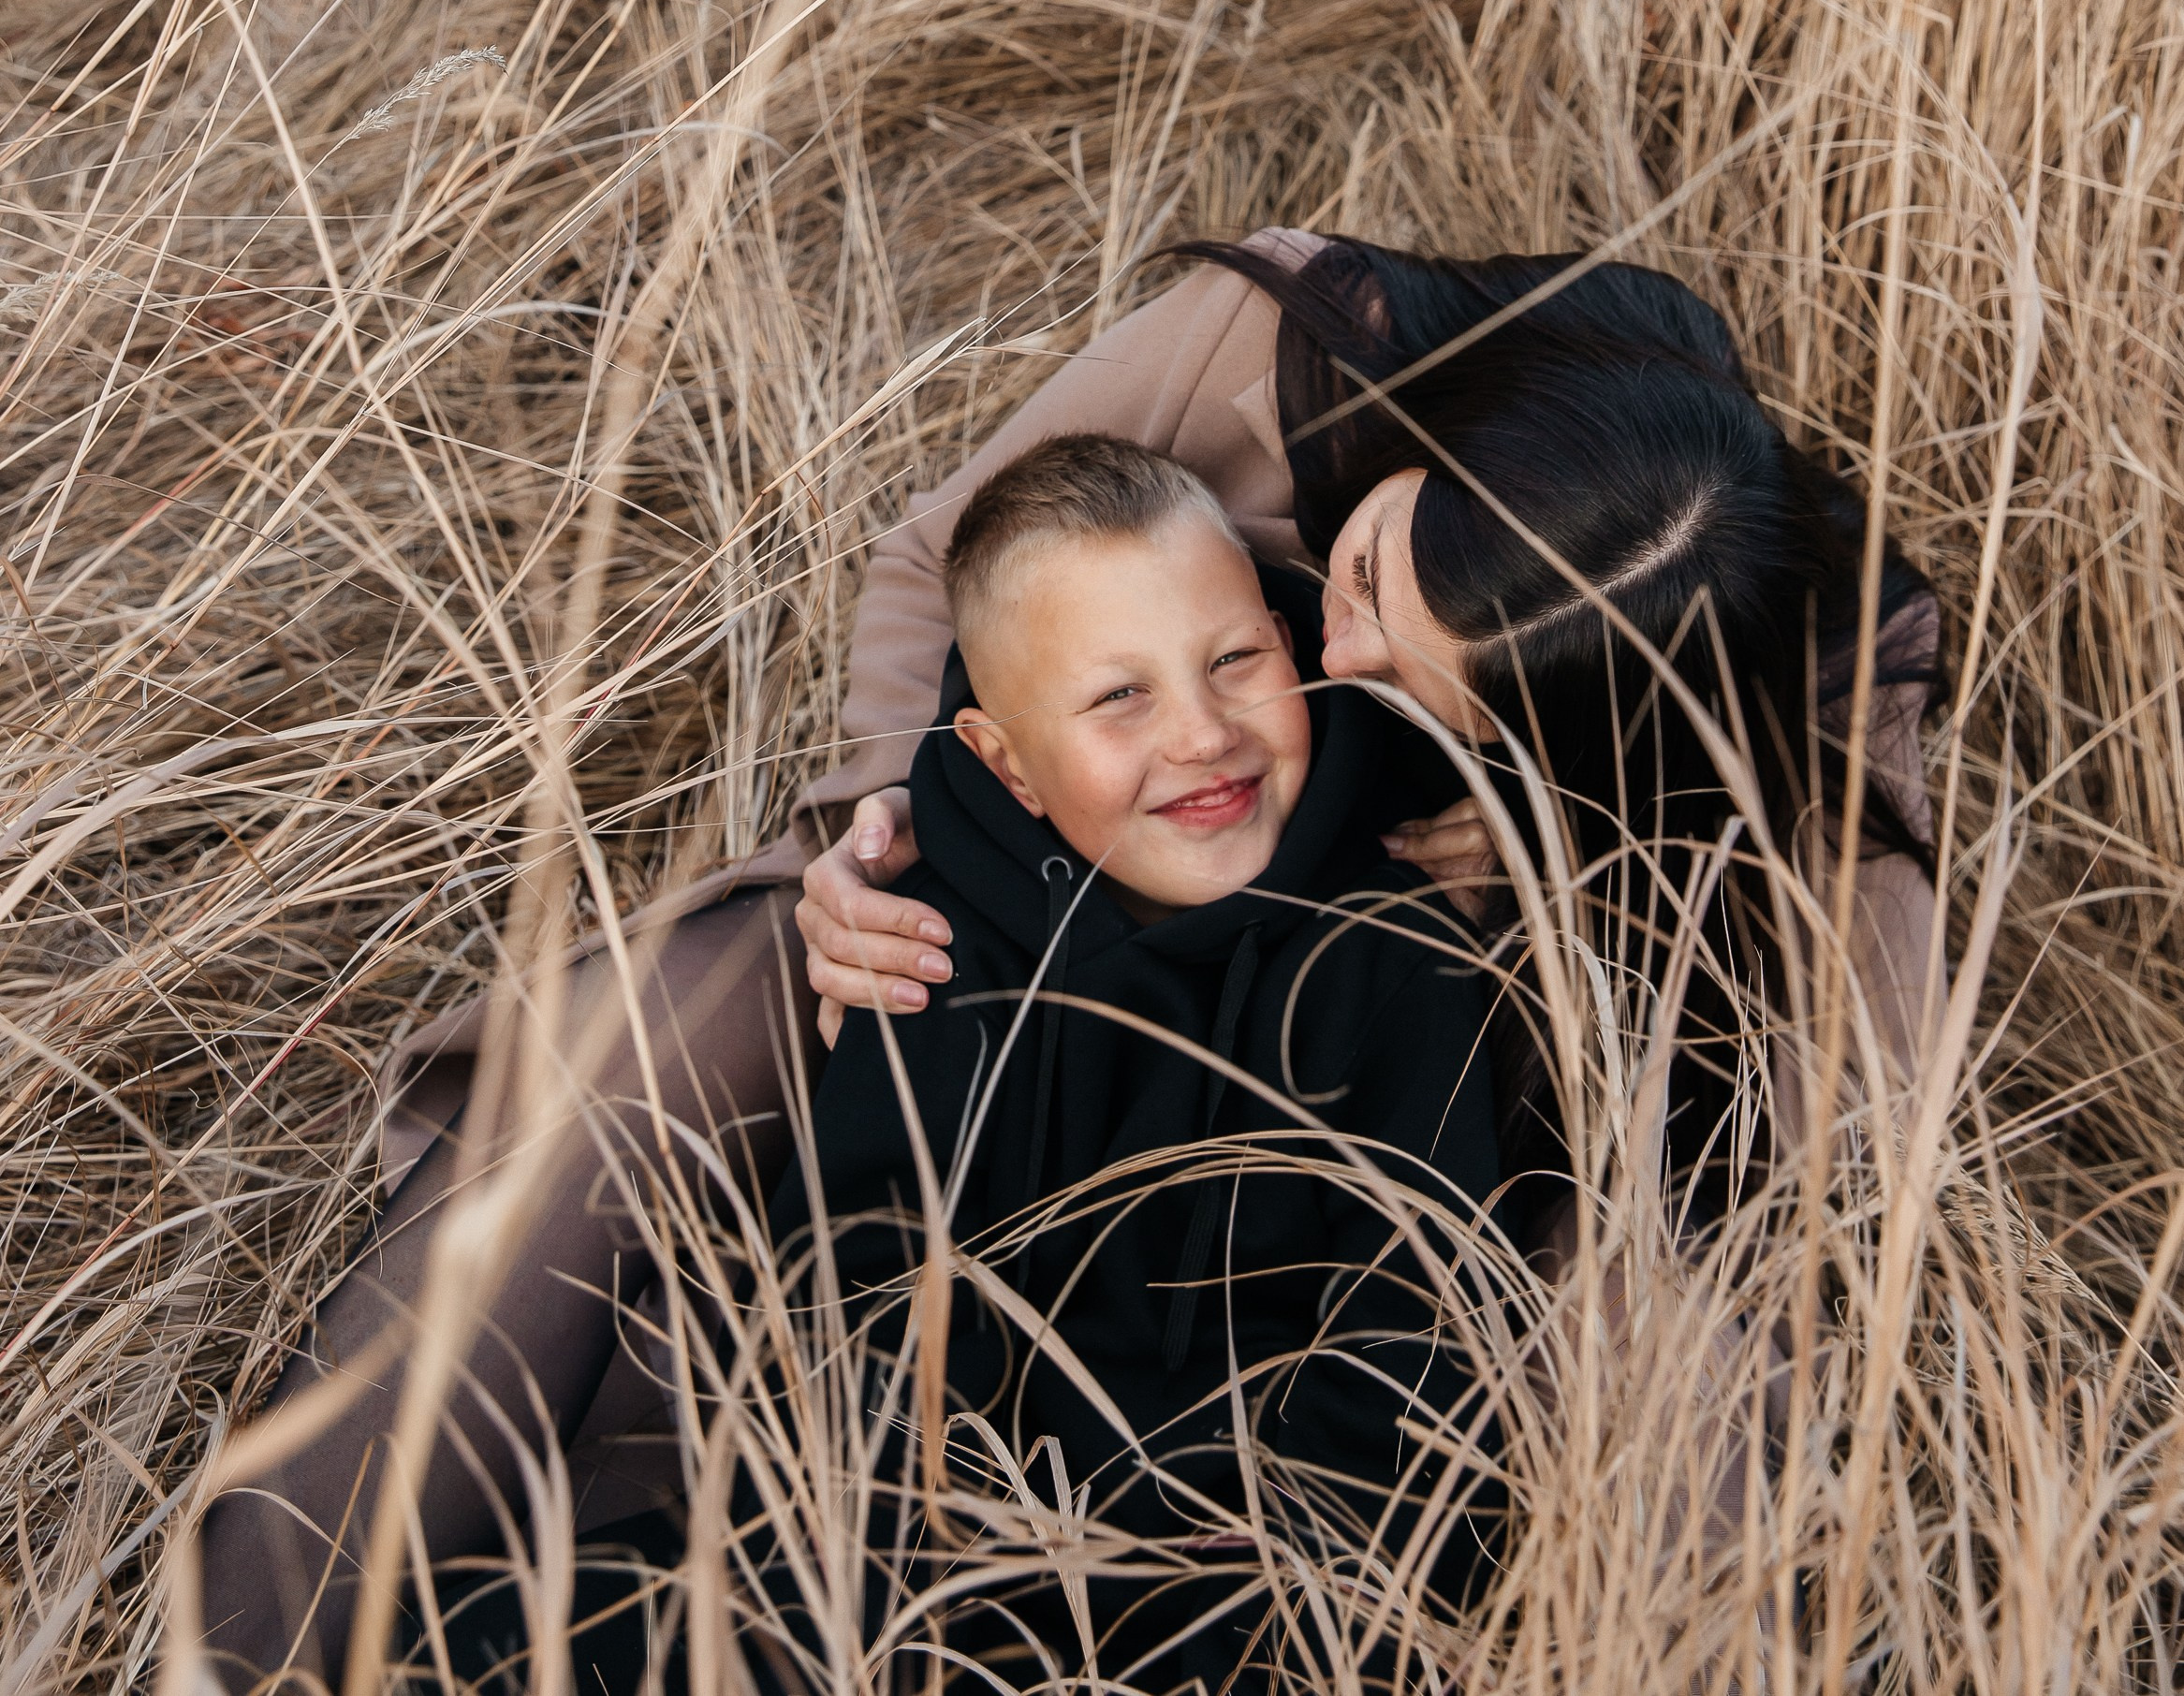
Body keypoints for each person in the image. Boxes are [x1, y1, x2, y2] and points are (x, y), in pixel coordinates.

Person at [197, 228, 1938, 1685]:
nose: (1332, 655)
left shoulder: (1834, 653)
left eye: (1407, 687)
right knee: (664, 1030)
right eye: (1354, 579)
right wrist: (882, 818)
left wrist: (1581, 861)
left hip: (1433, 1017)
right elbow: (936, 564)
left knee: (1696, 1341)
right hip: (1006, 855)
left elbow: (1831, 1092)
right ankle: (270, 1634)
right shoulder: (1274, 344)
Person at [754, 431, 1505, 1692]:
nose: (1203, 735)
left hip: (1263, 1596)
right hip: (938, 1582)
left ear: (1295, 645)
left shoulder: (1394, 951)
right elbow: (848, 1300)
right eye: (1118, 697)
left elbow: (1416, 1341)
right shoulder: (931, 957)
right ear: (1007, 763)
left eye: (1234, 662)